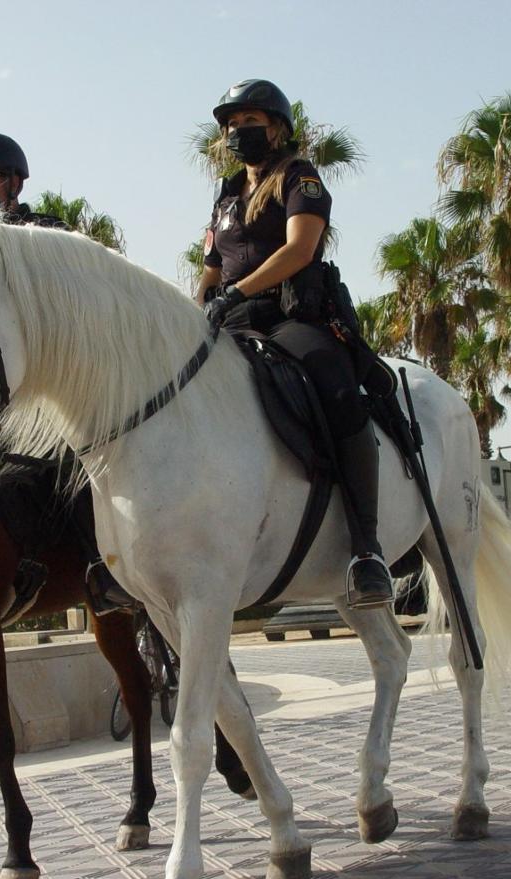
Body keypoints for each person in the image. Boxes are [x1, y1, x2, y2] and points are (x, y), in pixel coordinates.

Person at [196, 78, 392, 608]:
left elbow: (299, 250)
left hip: (288, 317)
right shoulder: (226, 192)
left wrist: (234, 293)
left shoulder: (299, 178)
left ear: (277, 127)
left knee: (337, 392)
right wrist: (197, 313)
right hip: (231, 322)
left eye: (250, 123)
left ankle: (367, 550)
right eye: (233, 125)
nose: (239, 133)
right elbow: (211, 266)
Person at [0, 131, 132, 614]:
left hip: (59, 384)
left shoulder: (47, 234)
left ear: (14, 182)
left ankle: (101, 566)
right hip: (4, 389)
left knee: (73, 463)